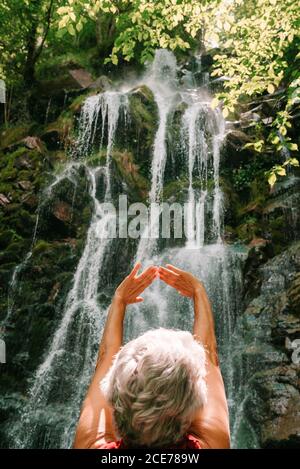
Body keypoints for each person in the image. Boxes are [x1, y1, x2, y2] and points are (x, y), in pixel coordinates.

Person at [74, 263, 230, 449]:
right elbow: (208, 355)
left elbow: (106, 357)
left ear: (114, 397)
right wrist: (198, 291)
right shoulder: (213, 444)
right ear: (191, 404)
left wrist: (119, 300)